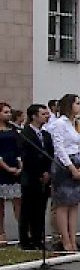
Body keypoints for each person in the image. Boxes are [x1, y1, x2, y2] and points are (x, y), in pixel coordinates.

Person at [46, 94, 80, 252]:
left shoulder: (78, 123)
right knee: (63, 204)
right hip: (63, 165)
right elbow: (59, 148)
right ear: (69, 105)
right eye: (77, 103)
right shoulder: (59, 124)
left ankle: (74, 239)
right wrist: (71, 168)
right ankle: (65, 240)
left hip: (77, 161)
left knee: (74, 203)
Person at [18, 104, 53, 251]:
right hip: (31, 177)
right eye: (43, 114)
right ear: (34, 116)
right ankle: (25, 241)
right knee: (27, 210)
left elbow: (50, 155)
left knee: (40, 210)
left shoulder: (46, 135)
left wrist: (47, 172)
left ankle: (38, 238)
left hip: (44, 177)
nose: (47, 116)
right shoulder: (25, 134)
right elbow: (27, 157)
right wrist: (39, 173)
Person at [0, 102, 23, 244]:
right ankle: (1, 233)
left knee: (18, 202)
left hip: (15, 166)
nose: (8, 114)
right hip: (2, 168)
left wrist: (20, 164)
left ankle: (23, 230)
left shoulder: (13, 129)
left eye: (9, 112)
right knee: (0, 205)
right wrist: (7, 168)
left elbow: (18, 148)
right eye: (5, 112)